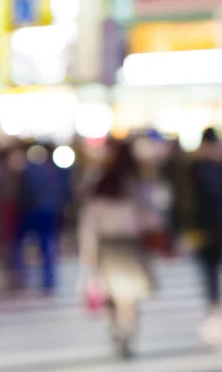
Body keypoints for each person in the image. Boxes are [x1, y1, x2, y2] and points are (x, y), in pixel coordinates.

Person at [79, 140, 152, 359]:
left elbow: (89, 222)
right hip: (129, 245)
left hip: (109, 246)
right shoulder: (136, 183)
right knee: (128, 298)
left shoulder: (97, 182)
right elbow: (149, 216)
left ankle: (118, 331)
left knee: (113, 296)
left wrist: (88, 250)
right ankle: (126, 332)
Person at [189, 128, 222, 349]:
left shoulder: (221, 167)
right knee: (209, 272)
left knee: (213, 272)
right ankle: (214, 307)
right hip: (203, 229)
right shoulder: (195, 168)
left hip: (218, 228)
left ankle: (215, 308)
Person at [13, 143, 71, 293]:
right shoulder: (54, 171)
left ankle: (23, 275)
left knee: (26, 243)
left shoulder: (29, 171)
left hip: (35, 211)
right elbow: (64, 192)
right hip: (48, 210)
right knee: (47, 244)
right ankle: (48, 278)